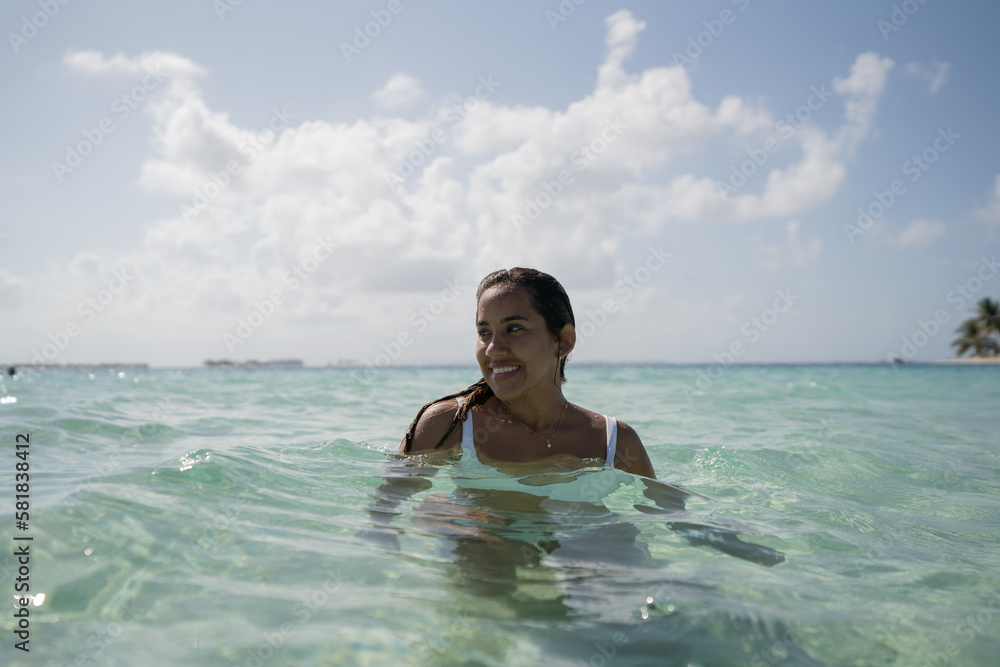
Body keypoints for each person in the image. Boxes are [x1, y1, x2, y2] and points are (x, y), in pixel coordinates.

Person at [398, 267, 655, 478]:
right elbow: (386, 512)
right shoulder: (449, 426)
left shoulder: (613, 442)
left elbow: (664, 518)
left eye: (514, 328)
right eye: (484, 332)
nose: (493, 349)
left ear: (563, 341)